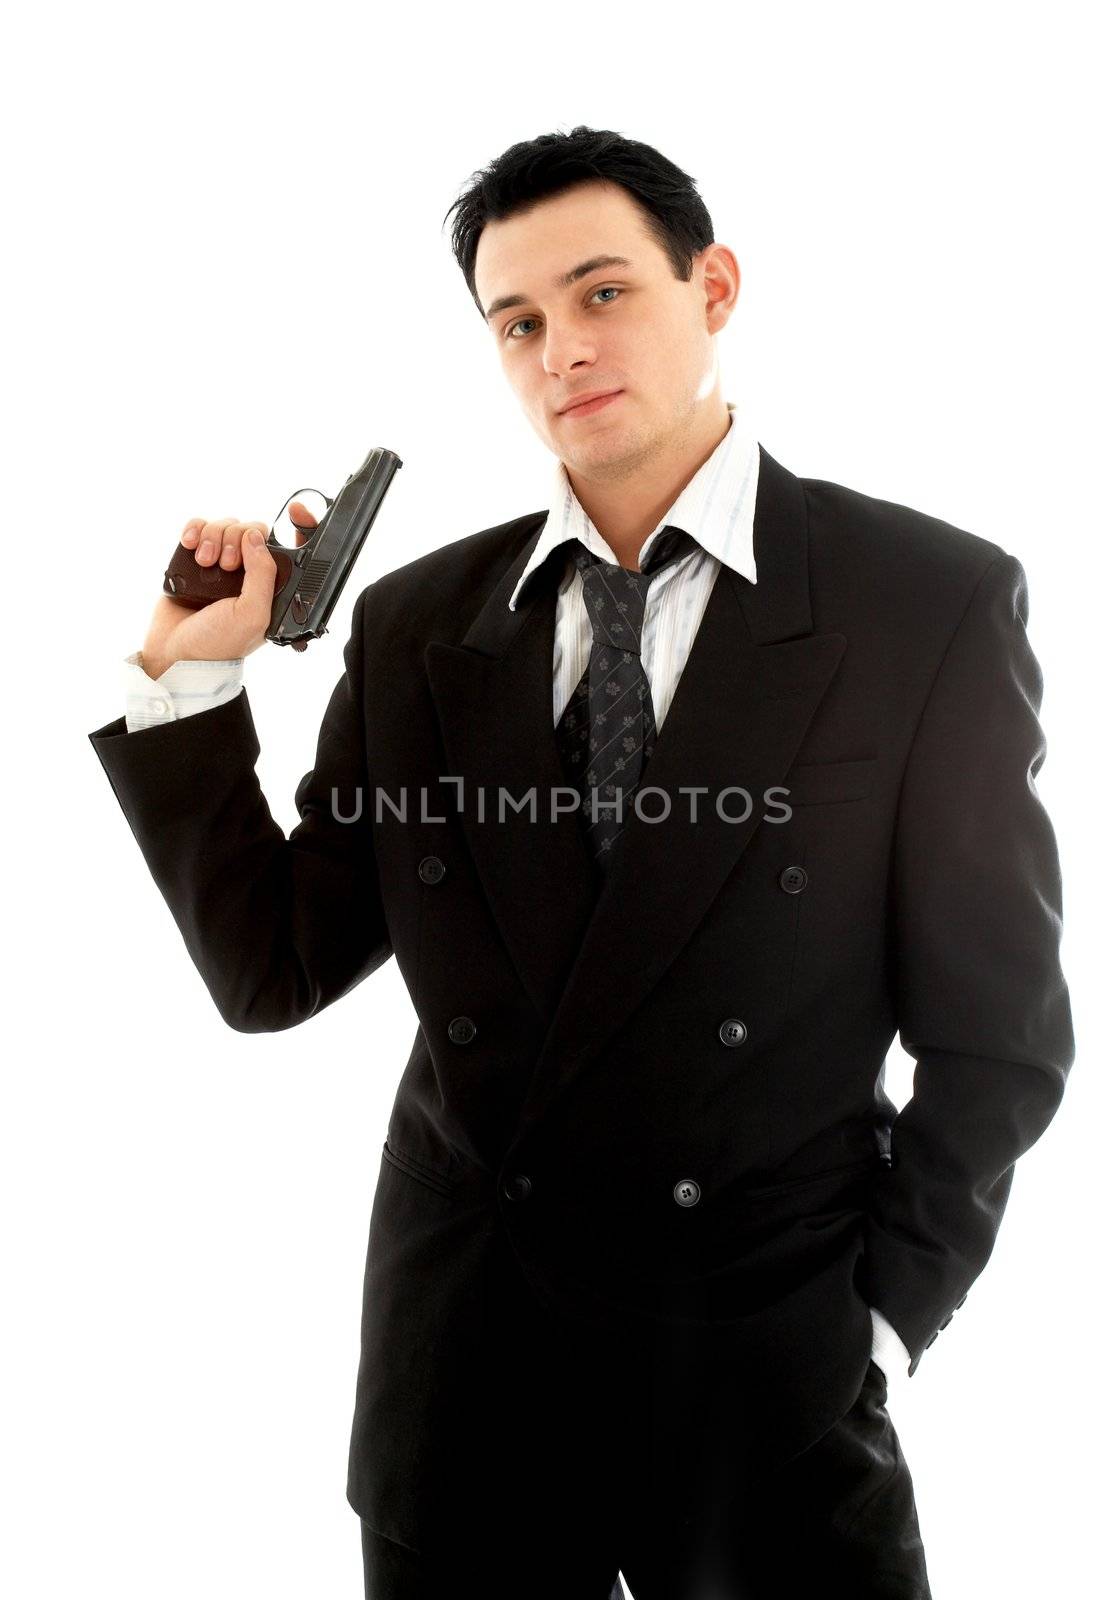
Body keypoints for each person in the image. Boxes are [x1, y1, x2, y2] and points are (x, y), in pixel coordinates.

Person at [88, 125, 1075, 1598]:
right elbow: (277, 968)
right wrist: (190, 682)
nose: (563, 349)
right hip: (466, 1384)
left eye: (603, 293)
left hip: (764, 1383)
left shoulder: (922, 602)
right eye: (520, 321)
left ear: (715, 286)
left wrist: (876, 1323)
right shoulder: (420, 621)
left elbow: (999, 1043)